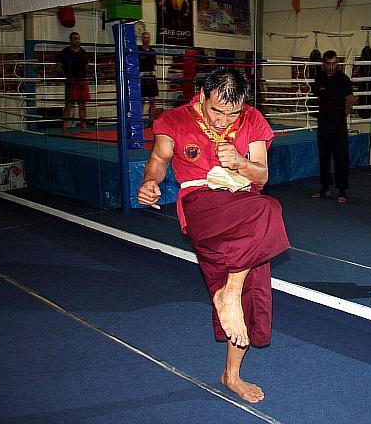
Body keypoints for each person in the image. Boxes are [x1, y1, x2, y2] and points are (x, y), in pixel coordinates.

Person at [137, 68, 290, 403]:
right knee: (269, 210)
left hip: (243, 207)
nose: (223, 121)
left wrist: (239, 162)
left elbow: (261, 176)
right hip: (202, 204)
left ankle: (231, 374)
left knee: (251, 289)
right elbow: (159, 161)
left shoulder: (251, 120)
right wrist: (150, 182)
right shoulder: (176, 120)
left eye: (232, 113)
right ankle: (229, 294)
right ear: (202, 95)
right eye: (217, 111)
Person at [311, 50, 355, 203]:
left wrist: (343, 116)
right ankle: (325, 187)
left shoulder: (343, 79)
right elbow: (316, 96)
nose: (331, 67)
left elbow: (350, 99)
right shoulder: (319, 78)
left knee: (341, 157)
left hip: (338, 125)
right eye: (328, 64)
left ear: (337, 63)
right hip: (323, 123)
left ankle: (342, 190)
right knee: (324, 157)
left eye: (333, 64)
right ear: (324, 64)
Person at [56, 32, 90, 133]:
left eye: (78, 38)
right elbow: (58, 67)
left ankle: (83, 127)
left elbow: (86, 66)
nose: (77, 40)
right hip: (71, 81)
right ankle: (65, 127)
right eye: (75, 38)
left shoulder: (83, 52)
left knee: (82, 105)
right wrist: (67, 76)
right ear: (70, 40)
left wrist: (82, 75)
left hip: (82, 81)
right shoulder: (65, 52)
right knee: (69, 105)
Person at [138, 31, 159, 121]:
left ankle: (151, 121)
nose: (146, 39)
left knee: (152, 100)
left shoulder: (152, 52)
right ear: (142, 39)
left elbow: (154, 65)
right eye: (145, 37)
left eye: (148, 38)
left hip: (151, 77)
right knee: (142, 100)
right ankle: (139, 120)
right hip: (143, 77)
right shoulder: (138, 51)